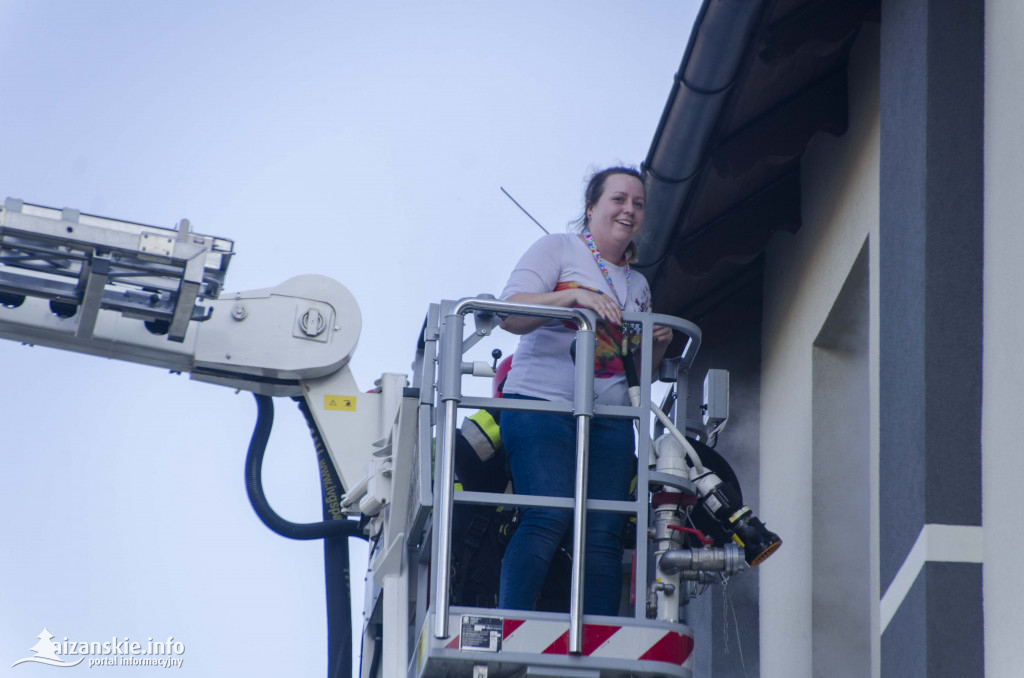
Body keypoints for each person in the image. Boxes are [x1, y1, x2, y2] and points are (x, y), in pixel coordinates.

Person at [497, 166, 673, 616]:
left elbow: (636, 376)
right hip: (540, 404)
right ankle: (511, 622)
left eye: (638, 203)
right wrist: (572, 298)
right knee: (549, 513)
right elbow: (509, 313)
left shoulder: (639, 285)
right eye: (618, 199)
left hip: (611, 417)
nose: (629, 209)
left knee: (604, 533)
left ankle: (598, 639)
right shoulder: (559, 247)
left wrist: (655, 347)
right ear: (591, 207)